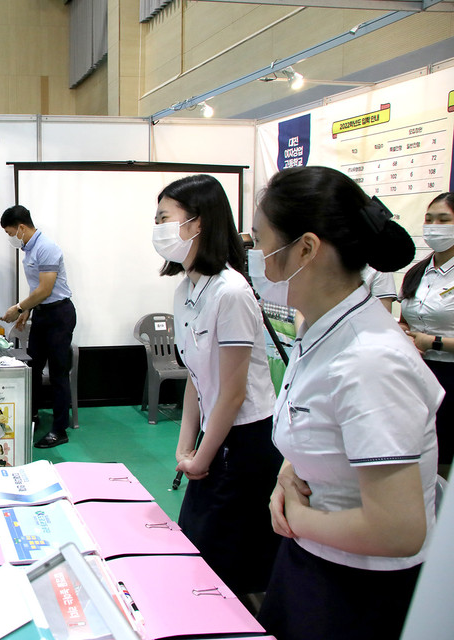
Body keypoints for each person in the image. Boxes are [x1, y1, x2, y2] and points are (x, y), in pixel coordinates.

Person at [252, 166, 439, 640]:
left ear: (306, 249)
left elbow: (398, 529)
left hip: (358, 590)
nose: (257, 258)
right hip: (311, 558)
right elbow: (318, 428)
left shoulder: (369, 360)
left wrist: (298, 517)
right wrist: (288, 476)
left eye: (261, 241)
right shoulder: (320, 328)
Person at [152, 174, 281, 600]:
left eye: (164, 218)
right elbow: (195, 376)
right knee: (195, 544)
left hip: (245, 441)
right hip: (214, 435)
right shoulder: (186, 289)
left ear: (198, 224)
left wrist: (202, 456)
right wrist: (185, 447)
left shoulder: (232, 292)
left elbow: (232, 391)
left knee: (225, 564)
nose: (158, 228)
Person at [0, 205, 76, 449]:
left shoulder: (46, 248)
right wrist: (29, 310)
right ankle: (32, 415)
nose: (11, 238)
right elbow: (37, 289)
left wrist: (19, 308)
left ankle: (59, 429)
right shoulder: (28, 250)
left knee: (58, 374)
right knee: (32, 367)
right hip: (43, 315)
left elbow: (45, 289)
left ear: (21, 227)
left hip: (59, 315)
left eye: (10, 232)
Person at [399, 192, 454, 479]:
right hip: (419, 373)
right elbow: (404, 321)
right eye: (429, 219)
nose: (434, 226)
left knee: (444, 456)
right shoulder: (418, 272)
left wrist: (433, 342)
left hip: (450, 375)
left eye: (444, 219)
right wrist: (405, 336)